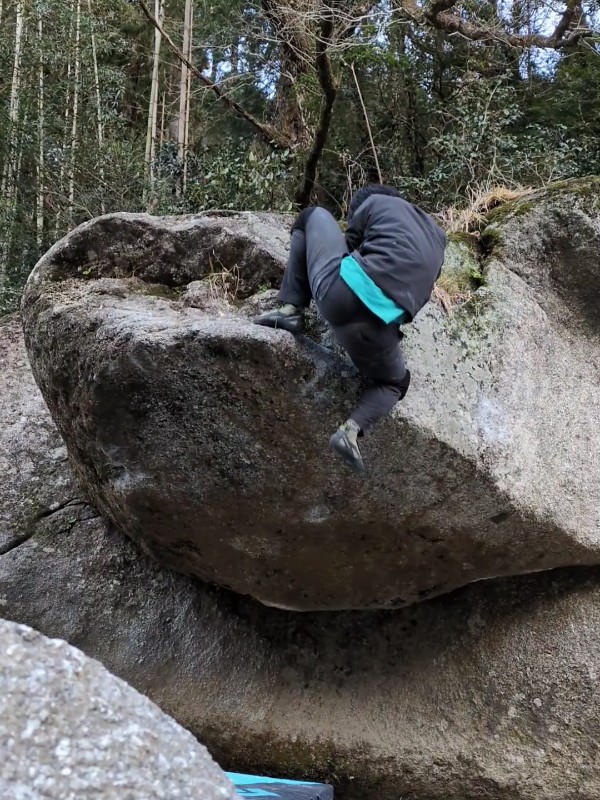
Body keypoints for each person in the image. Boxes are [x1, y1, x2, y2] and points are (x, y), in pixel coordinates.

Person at [254, 184, 447, 475]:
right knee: (395, 383)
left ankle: (290, 309)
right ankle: (351, 431)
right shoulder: (439, 238)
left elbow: (349, 244)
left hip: (341, 297)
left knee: (310, 216)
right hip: (379, 329)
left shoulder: (374, 202)